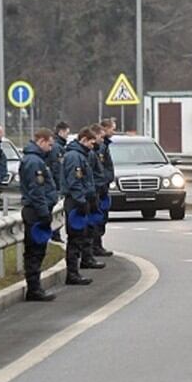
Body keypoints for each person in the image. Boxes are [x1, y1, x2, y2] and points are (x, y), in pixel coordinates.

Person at [20, 128, 59, 301]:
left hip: (38, 211)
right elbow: (37, 190)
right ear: (41, 141)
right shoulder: (34, 162)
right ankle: (34, 289)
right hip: (35, 213)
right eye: (49, 144)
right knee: (35, 251)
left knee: (38, 251)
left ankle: (35, 287)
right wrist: (44, 213)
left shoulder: (36, 159)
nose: (50, 148)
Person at [61, 128, 97, 285]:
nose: (92, 146)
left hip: (80, 200)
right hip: (76, 203)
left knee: (80, 237)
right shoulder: (74, 157)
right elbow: (75, 182)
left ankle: (74, 272)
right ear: (83, 139)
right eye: (91, 142)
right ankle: (72, 274)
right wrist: (81, 201)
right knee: (75, 238)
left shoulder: (80, 155)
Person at [80, 124, 107, 270]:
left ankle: (88, 256)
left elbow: (99, 172)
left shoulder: (92, 153)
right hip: (85, 197)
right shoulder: (78, 156)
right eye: (93, 141)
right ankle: (83, 260)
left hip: (93, 194)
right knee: (83, 231)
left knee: (92, 226)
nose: (95, 143)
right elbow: (78, 180)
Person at [92, 118, 116, 257]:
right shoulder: (99, 147)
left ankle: (97, 245)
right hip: (98, 188)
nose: (113, 131)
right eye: (112, 128)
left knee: (102, 217)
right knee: (97, 217)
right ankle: (95, 246)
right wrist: (103, 180)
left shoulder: (104, 145)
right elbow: (99, 168)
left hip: (103, 187)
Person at [47, 122, 70, 243]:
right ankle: (55, 235)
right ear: (61, 132)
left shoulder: (59, 146)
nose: (67, 135)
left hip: (56, 185)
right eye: (66, 132)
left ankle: (55, 234)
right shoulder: (57, 148)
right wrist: (59, 185)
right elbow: (57, 168)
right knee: (56, 212)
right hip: (56, 186)